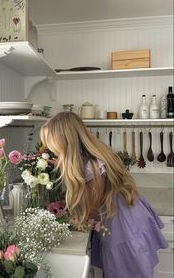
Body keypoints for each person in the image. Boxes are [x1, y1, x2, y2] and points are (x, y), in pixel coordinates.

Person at [40, 111, 168, 278]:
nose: (50, 148)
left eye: (52, 143)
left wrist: (70, 222)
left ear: (65, 141)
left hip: (124, 228)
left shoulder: (92, 166)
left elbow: (91, 209)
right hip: (127, 219)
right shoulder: (90, 158)